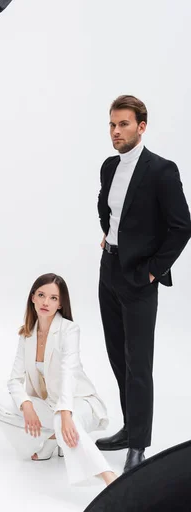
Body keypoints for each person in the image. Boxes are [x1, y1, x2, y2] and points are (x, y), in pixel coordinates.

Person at [96, 95, 191, 472]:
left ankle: (138, 445)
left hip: (139, 279)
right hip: (109, 271)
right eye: (112, 125)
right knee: (118, 356)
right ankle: (128, 427)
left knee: (139, 364)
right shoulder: (108, 166)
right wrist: (109, 234)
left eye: (123, 125)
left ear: (141, 126)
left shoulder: (161, 171)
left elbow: (182, 226)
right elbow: (107, 207)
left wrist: (154, 270)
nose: (116, 132)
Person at [0, 273, 117, 487]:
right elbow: (14, 380)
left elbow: (69, 373)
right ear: (33, 298)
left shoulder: (69, 330)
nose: (46, 302)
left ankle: (109, 479)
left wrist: (65, 414)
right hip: (49, 404)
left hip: (80, 401)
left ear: (61, 303)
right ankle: (52, 438)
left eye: (53, 298)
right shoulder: (26, 334)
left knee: (62, 421)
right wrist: (26, 405)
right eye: (41, 295)